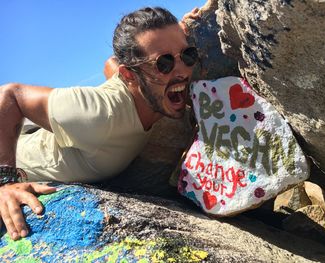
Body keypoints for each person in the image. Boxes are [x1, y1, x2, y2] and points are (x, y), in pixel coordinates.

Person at [0, 7, 200, 240]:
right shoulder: (99, 114)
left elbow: (111, 63)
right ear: (130, 76)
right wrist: (6, 183)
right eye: (163, 64)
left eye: (188, 55)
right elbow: (10, 95)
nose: (182, 70)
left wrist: (171, 48)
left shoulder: (141, 83)